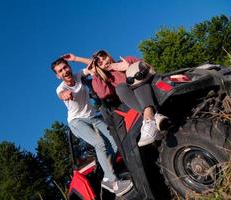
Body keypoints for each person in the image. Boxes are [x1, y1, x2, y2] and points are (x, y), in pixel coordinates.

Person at [51, 56, 133, 197]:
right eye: (60, 71)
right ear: (58, 76)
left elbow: (92, 65)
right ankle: (114, 182)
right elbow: (61, 94)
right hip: (77, 121)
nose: (64, 71)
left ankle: (107, 176)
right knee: (100, 143)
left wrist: (75, 58)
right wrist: (64, 95)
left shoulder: (78, 75)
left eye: (65, 67)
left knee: (115, 141)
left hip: (93, 117)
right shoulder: (61, 88)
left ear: (69, 67)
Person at [65, 51, 167, 146]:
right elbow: (102, 94)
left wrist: (129, 67)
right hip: (135, 101)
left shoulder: (127, 60)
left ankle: (149, 118)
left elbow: (151, 70)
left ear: (109, 55)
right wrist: (95, 74)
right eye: (100, 63)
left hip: (150, 89)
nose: (105, 62)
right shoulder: (107, 78)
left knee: (134, 74)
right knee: (120, 88)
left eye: (105, 58)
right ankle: (154, 117)